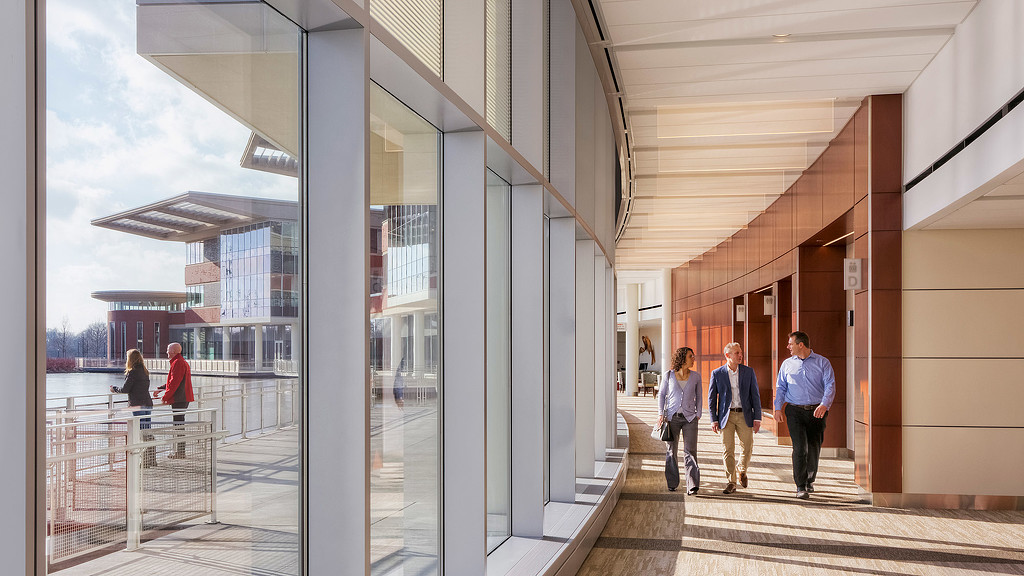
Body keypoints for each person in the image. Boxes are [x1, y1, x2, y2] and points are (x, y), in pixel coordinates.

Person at [773, 331, 835, 499]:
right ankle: (800, 485)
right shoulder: (787, 364)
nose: (788, 347)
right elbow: (780, 387)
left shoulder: (823, 363)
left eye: (790, 344)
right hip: (794, 411)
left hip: (817, 411)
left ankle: (809, 480)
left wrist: (824, 404)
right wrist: (777, 408)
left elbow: (830, 384)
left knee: (814, 448)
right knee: (800, 448)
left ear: (801, 345)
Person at [707, 342, 761, 494]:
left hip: (745, 414)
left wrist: (757, 417)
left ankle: (742, 469)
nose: (740, 355)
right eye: (737, 353)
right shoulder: (717, 373)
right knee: (727, 449)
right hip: (726, 416)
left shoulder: (748, 372)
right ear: (728, 356)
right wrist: (714, 419)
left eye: (740, 352)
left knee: (748, 446)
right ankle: (731, 482)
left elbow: (755, 396)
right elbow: (711, 399)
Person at [656, 346, 702, 495]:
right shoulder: (668, 375)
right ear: (682, 358)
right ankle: (672, 482)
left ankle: (692, 484)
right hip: (671, 419)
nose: (693, 359)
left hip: (690, 419)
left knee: (690, 451)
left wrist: (698, 414)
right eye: (691, 356)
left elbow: (699, 396)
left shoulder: (696, 376)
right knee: (671, 451)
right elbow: (662, 395)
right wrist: (660, 414)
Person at [111, 349, 156, 467]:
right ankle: (151, 459)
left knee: (141, 432)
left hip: (138, 405)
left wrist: (114, 389)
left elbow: (125, 389)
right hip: (147, 403)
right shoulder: (145, 371)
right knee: (147, 431)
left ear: (130, 359)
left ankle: (145, 461)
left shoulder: (133, 372)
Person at [155, 342, 194, 459]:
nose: (166, 352)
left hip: (179, 399)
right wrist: (161, 388)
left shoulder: (178, 363)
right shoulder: (180, 362)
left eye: (168, 350)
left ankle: (180, 452)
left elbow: (174, 383)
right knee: (179, 424)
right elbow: (173, 381)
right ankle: (180, 451)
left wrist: (165, 397)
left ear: (173, 352)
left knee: (178, 425)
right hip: (182, 397)